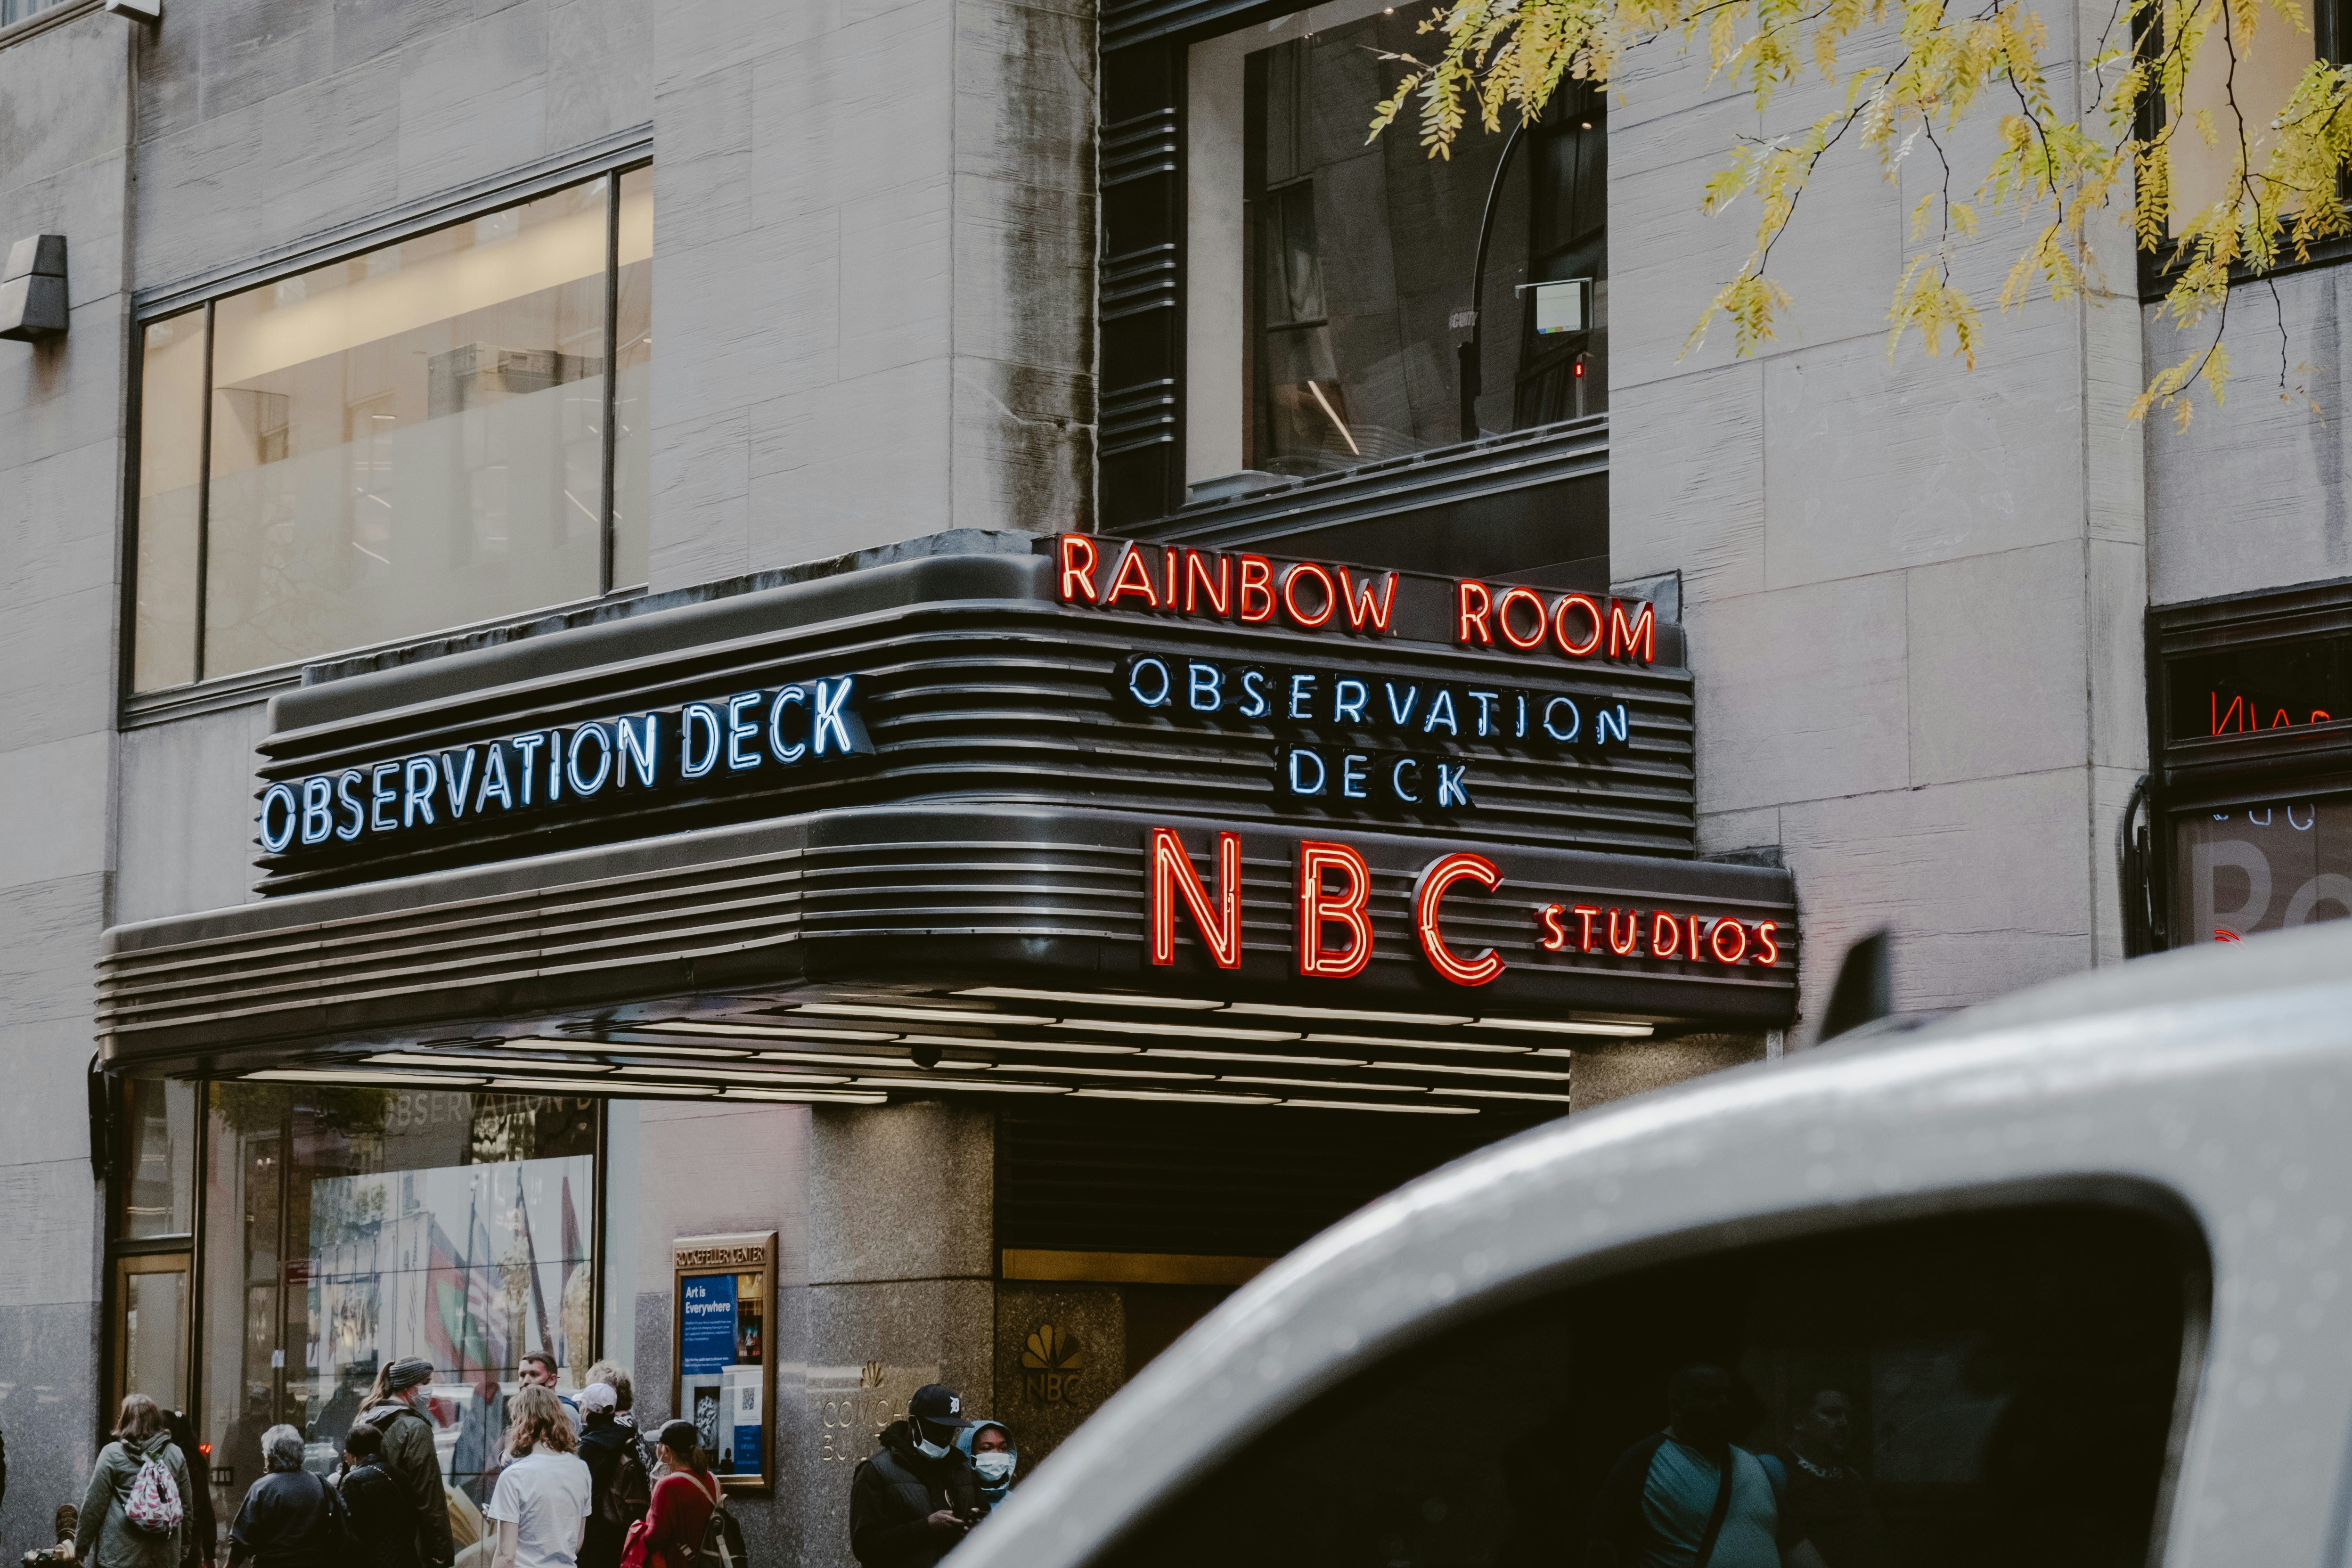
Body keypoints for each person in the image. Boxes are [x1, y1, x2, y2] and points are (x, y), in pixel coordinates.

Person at [1587, 1365, 1781, 1568]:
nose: (1725, 1402)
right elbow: (1603, 1546)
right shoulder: (1644, 1460)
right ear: (1677, 1406)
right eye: (1710, 1395)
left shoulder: (1754, 1465)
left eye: (1729, 1394)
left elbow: (1790, 1543)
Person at [849, 1383, 984, 1567]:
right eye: (937, 1430)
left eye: (951, 1431)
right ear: (914, 1424)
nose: (945, 1439)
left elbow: (984, 1518)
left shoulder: (960, 1466)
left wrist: (977, 1528)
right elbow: (864, 1546)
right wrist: (926, 1527)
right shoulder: (876, 1471)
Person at [357, 1356, 457, 1568]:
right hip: (408, 1544)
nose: (430, 1389)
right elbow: (428, 1494)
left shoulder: (366, 1420)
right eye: (426, 1382)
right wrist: (442, 1548)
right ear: (407, 1387)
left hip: (369, 1540)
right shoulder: (415, 1429)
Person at [77, 1394, 195, 1568]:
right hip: (164, 1556)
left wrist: (81, 1547)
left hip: (121, 1557)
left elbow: (95, 1503)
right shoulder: (175, 1453)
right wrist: (183, 1547)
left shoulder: (112, 1454)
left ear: (125, 1420)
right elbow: (186, 1505)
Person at [484, 1386, 592, 1568]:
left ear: (521, 1423)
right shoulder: (581, 1469)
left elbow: (506, 1556)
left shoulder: (513, 1477)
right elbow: (577, 1544)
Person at [1772, 1390, 1880, 1568]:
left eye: (1848, 1416)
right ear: (1799, 1421)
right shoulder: (1775, 1474)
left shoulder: (1852, 1478)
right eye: (1832, 1413)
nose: (1845, 1423)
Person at [224, 1425, 346, 1568]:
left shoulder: (262, 1488)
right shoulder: (320, 1483)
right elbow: (342, 1522)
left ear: (271, 1456)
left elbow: (240, 1541)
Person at [574, 1384, 648, 1568]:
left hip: (594, 1528)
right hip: (620, 1523)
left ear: (589, 1410)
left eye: (583, 1405)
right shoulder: (627, 1437)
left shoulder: (589, 1446)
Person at [629, 1420, 720, 1568]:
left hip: (678, 1562)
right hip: (709, 1562)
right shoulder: (713, 1480)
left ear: (666, 1450)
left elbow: (656, 1536)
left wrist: (638, 1537)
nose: (656, 1448)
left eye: (658, 1444)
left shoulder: (667, 1486)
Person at [338, 1423, 420, 1568]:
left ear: (353, 1455)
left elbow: (348, 1531)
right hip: (407, 1559)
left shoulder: (353, 1481)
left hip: (372, 1561)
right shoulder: (401, 1476)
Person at [164, 1410, 219, 1568]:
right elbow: (207, 1510)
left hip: (165, 1541)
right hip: (193, 1544)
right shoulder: (198, 1463)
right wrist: (210, 1553)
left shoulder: (163, 1463)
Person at [952, 1421, 1017, 1514]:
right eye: (987, 1448)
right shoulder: (952, 1502)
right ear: (968, 1453)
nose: (997, 1454)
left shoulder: (1018, 1505)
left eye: (1003, 1448)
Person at [517, 1354, 581, 1433]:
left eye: (534, 1375)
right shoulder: (525, 1409)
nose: (526, 1381)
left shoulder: (564, 1412)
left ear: (552, 1380)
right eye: (523, 1375)